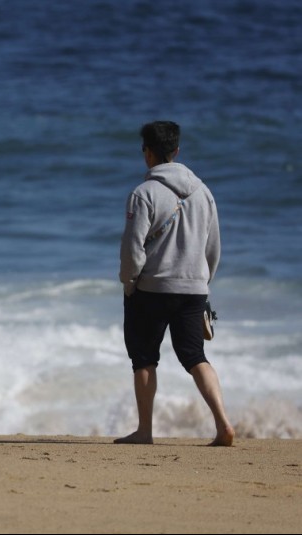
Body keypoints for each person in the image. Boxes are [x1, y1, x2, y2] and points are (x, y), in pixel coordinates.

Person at [117, 121, 235, 447]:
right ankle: (224, 424)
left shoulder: (143, 194)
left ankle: (144, 431)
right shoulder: (204, 192)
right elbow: (214, 248)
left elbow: (132, 249)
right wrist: (202, 281)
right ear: (177, 151)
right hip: (194, 288)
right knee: (196, 356)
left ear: (147, 152)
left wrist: (129, 282)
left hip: (151, 289)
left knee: (144, 359)